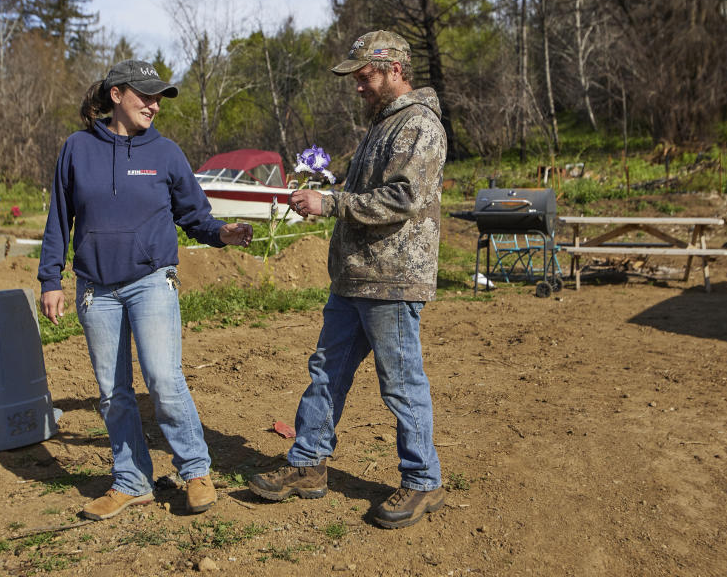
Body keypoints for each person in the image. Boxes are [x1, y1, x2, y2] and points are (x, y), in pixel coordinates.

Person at [37, 59, 253, 520]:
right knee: (113, 392)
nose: (154, 105)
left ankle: (195, 471)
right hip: (96, 290)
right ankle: (131, 480)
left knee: (162, 379)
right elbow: (59, 218)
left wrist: (221, 233)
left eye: (159, 98)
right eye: (146, 96)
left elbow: (195, 215)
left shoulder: (166, 153)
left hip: (152, 281)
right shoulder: (77, 148)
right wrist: (50, 279)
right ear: (117, 94)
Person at [249, 31, 447, 529]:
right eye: (357, 77)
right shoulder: (384, 127)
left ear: (395, 70)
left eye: (365, 76)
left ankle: (424, 481)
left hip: (393, 279)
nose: (358, 85)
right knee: (326, 371)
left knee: (400, 384)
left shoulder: (418, 126)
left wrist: (331, 203)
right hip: (356, 278)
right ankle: (308, 464)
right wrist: (327, 190)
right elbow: (372, 194)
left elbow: (402, 199)